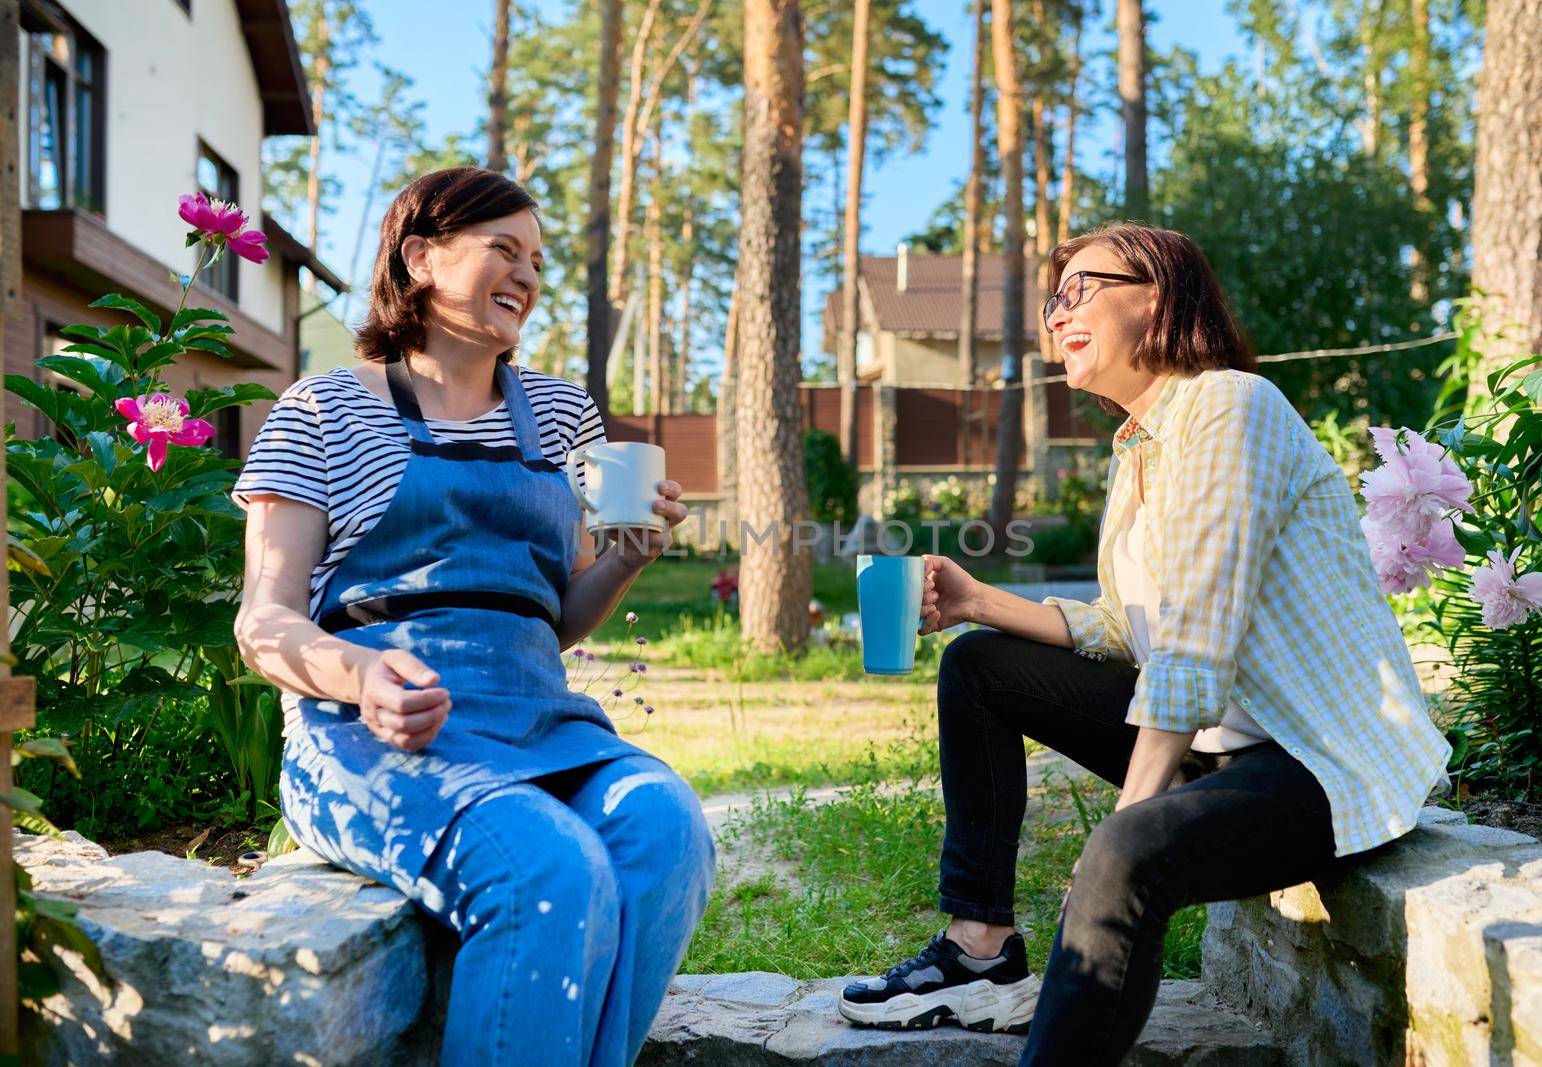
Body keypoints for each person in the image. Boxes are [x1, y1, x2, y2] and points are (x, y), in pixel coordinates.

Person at [836, 223, 1450, 1064]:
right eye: (1053, 301)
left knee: (1123, 854)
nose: (1057, 315)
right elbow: (1132, 629)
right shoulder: (1140, 449)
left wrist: (1127, 827)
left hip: (1312, 758)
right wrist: (981, 600)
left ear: (1156, 295)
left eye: (1080, 289)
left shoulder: (1232, 407)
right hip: (1222, 744)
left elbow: (1193, 645)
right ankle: (979, 952)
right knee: (977, 664)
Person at [233, 168, 714, 1067]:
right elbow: (262, 620)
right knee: (546, 869)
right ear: (420, 257)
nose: (529, 277)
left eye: (537, 260)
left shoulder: (564, 414)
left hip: (544, 723)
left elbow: (554, 620)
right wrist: (361, 674)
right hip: (377, 736)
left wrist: (626, 556)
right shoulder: (323, 409)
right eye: (505, 248)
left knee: (667, 828)